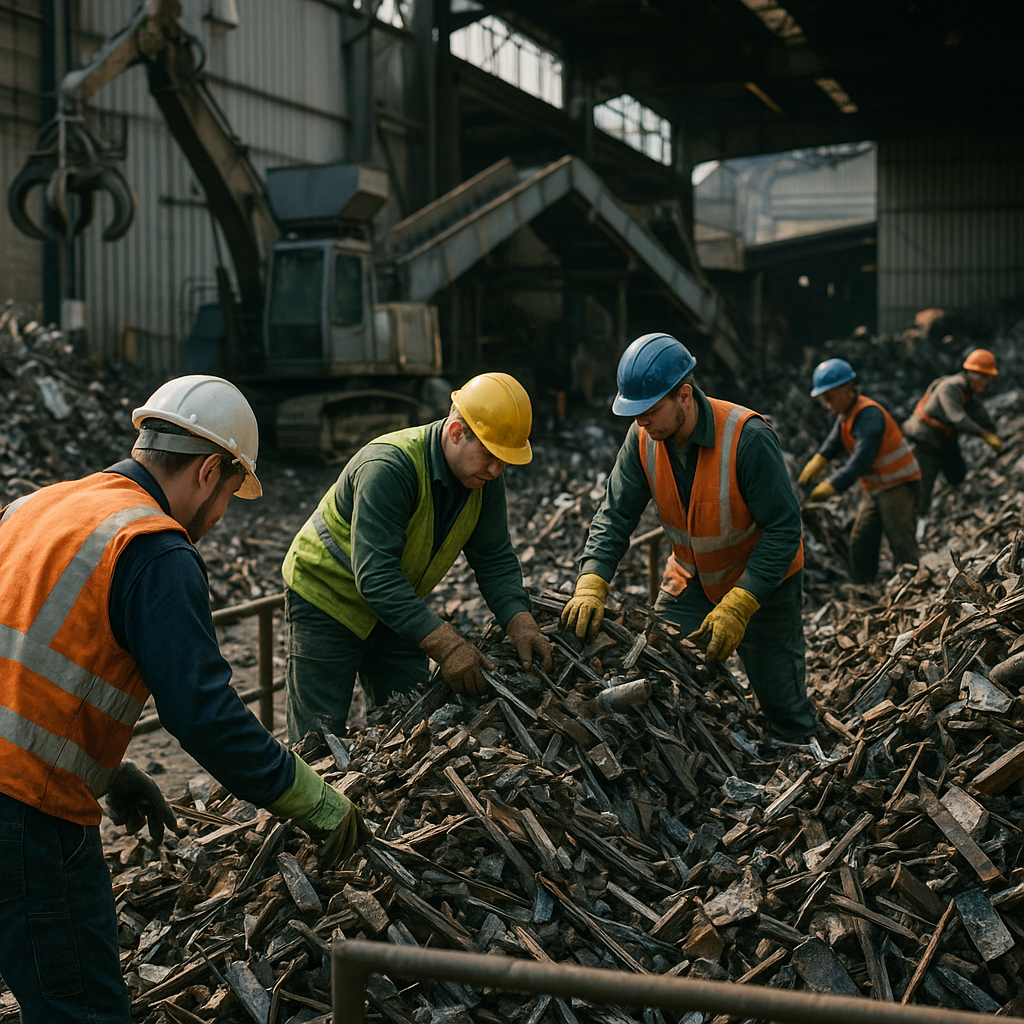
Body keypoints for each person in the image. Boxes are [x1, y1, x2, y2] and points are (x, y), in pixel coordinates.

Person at [0, 375, 368, 1024]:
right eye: (229, 493)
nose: (220, 516)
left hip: (30, 792)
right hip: (27, 813)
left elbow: (20, 663)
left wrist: (109, 770)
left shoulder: (35, 508)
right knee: (80, 1010)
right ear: (207, 472)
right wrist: (316, 801)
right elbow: (204, 714)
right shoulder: (153, 547)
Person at [561, 334, 816, 743]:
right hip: (692, 579)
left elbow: (785, 531)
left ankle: (794, 748)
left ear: (684, 395)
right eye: (634, 412)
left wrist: (740, 603)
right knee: (662, 670)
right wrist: (592, 582)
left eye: (649, 410)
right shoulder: (643, 436)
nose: (641, 421)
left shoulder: (747, 438)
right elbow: (615, 514)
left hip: (762, 583)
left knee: (783, 708)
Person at [281, 372, 552, 742]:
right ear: (456, 432)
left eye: (504, 460)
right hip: (326, 601)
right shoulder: (389, 468)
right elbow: (376, 577)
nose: (496, 470)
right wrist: (447, 644)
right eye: (490, 455)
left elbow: (494, 557)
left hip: (394, 606)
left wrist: (519, 619)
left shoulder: (483, 478)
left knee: (410, 727)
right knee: (318, 739)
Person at [798, 358, 921, 584]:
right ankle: (865, 587)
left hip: (897, 485)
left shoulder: (869, 416)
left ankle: (914, 585)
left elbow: (860, 461)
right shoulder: (847, 413)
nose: (826, 404)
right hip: (876, 487)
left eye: (829, 397)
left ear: (847, 389)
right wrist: (820, 459)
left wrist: (832, 484)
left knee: (900, 539)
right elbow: (835, 440)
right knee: (861, 540)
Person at [902, 348, 1002, 514]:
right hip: (925, 441)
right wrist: (984, 435)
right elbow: (958, 418)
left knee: (958, 474)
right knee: (922, 491)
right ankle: (916, 522)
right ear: (972, 373)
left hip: (944, 441)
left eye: (989, 378)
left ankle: (948, 506)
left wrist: (991, 429)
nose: (986, 382)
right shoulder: (950, 387)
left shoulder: (967, 392)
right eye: (984, 377)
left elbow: (979, 412)